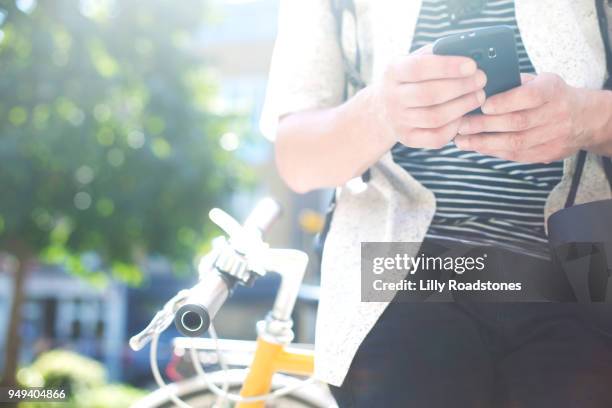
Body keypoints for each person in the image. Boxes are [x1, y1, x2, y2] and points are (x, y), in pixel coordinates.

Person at [261, 0, 612, 406]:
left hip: (577, 277)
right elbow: (297, 160)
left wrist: (591, 117)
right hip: (400, 276)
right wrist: (379, 112)